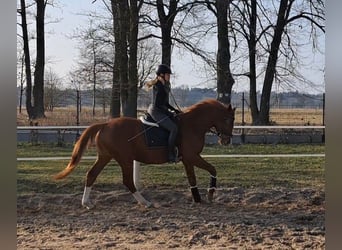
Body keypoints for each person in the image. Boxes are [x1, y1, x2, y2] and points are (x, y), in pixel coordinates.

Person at [146, 64, 181, 163]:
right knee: (173, 129)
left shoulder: (163, 85)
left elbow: (165, 103)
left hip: (159, 110)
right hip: (156, 111)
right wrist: (169, 113)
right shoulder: (158, 86)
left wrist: (175, 110)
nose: (169, 76)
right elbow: (157, 104)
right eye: (168, 74)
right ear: (161, 75)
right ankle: (170, 155)